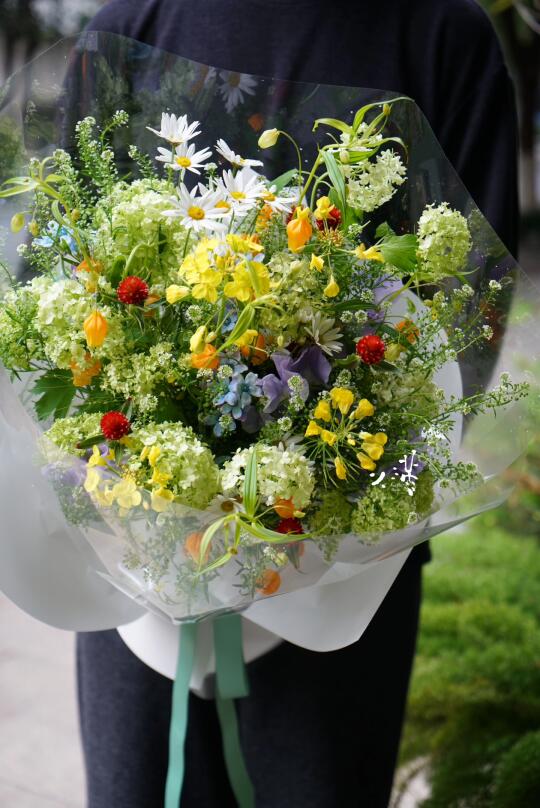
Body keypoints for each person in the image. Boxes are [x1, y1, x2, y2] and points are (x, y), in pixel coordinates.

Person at [77, 2, 519, 806]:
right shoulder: (135, 21)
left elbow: (467, 325)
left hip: (346, 582)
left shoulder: (441, 36)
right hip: (135, 573)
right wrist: (135, 491)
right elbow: (69, 290)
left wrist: (340, 505)